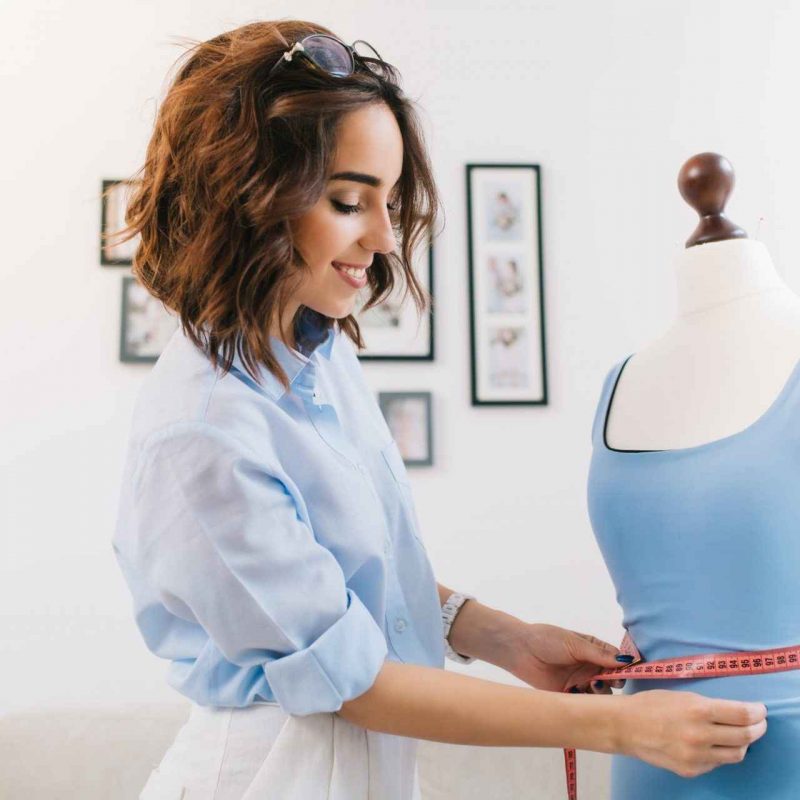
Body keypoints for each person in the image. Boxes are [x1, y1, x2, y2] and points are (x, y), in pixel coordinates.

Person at [110, 20, 767, 799]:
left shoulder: (323, 359)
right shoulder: (201, 432)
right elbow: (355, 683)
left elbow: (347, 582)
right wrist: (621, 730)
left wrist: (502, 636)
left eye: (389, 201)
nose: (386, 237)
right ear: (247, 195)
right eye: (351, 201)